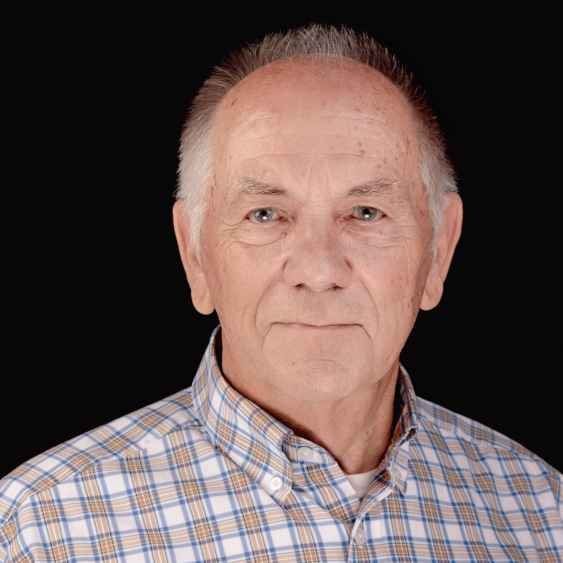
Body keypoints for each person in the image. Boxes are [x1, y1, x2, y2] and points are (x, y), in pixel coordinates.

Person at [1, 22, 561, 562]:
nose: (319, 269)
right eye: (265, 214)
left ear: (439, 250)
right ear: (194, 253)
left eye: (366, 212)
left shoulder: (543, 513)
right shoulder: (37, 530)